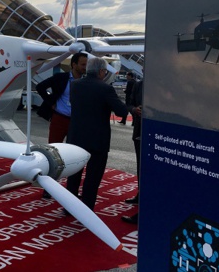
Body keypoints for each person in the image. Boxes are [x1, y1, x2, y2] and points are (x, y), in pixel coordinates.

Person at [65, 57, 128, 210]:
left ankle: (69, 207)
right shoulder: (105, 88)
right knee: (92, 177)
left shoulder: (75, 85)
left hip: (76, 136)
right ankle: (86, 209)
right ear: (101, 71)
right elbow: (121, 111)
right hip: (97, 139)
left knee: (74, 174)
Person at [36, 52, 87, 199]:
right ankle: (48, 187)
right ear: (74, 64)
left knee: (75, 154)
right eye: (82, 64)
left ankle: (72, 190)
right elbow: (40, 86)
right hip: (59, 119)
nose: (85, 67)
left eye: (86, 65)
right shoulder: (61, 78)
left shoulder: (87, 81)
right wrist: (50, 102)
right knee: (53, 154)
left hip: (77, 122)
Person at [122, 77, 143, 225]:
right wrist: (134, 110)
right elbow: (129, 104)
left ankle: (144, 207)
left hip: (158, 134)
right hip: (139, 131)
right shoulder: (139, 85)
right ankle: (140, 195)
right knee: (140, 166)